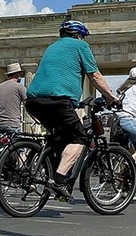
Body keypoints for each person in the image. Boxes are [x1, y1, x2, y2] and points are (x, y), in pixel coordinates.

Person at [24, 20, 120, 200]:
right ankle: (59, 181)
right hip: (58, 100)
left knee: (58, 138)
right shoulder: (80, 46)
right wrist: (111, 97)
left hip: (33, 101)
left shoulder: (52, 47)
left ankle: (48, 174)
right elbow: (95, 76)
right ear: (79, 35)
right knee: (80, 137)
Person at [0, 63, 27, 134]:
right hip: (13, 123)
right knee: (23, 143)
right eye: (20, 74)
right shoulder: (20, 87)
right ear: (17, 74)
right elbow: (28, 105)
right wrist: (37, 119)